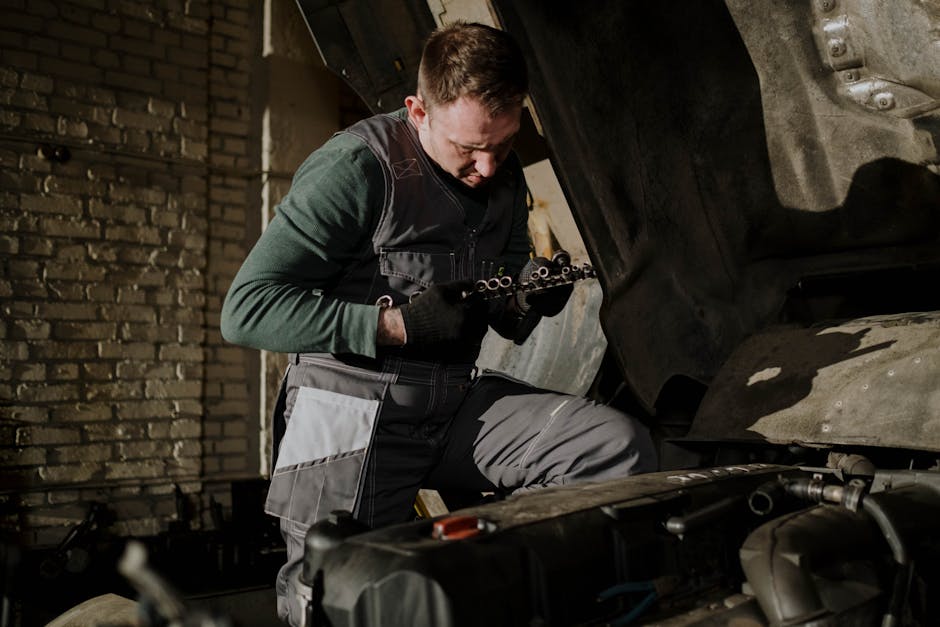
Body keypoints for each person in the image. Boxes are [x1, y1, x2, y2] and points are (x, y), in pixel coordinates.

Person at [220, 21, 656, 625]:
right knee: (342, 595)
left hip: (448, 402)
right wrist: (397, 326)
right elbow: (246, 310)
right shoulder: (354, 168)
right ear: (417, 110)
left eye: (501, 146)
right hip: (350, 410)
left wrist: (525, 298)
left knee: (612, 448)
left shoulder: (501, 176)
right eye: (468, 148)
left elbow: (498, 309)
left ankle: (491, 590)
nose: (485, 166)